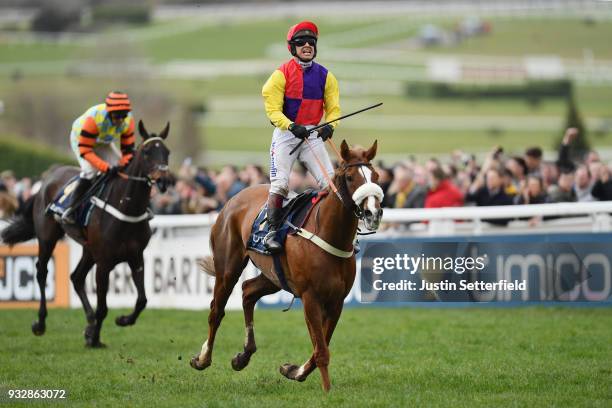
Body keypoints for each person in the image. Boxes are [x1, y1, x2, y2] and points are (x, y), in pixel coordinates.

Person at [261, 20, 341, 252]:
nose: (307, 45)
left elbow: (334, 109)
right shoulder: (279, 75)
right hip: (287, 134)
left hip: (313, 134)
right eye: (301, 42)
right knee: (281, 183)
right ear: (292, 47)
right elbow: (273, 110)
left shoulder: (327, 76)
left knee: (331, 184)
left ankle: (336, 233)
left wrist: (330, 126)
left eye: (311, 42)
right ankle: (271, 231)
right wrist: (291, 125)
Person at [62, 91, 135, 223]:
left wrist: (122, 164)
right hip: (81, 141)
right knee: (90, 172)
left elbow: (128, 151)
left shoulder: (128, 121)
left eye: (123, 116)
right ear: (109, 113)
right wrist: (106, 167)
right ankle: (71, 209)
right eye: (116, 116)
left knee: (124, 170)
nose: (120, 120)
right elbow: (85, 150)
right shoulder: (94, 119)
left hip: (103, 142)